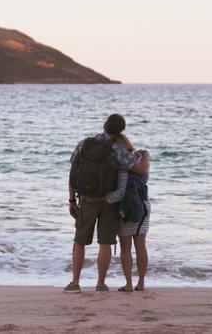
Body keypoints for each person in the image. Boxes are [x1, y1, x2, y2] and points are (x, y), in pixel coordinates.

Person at [64, 114, 149, 293]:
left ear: (104, 125)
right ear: (121, 131)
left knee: (79, 241)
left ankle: (75, 283)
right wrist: (143, 157)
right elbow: (140, 170)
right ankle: (101, 284)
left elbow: (73, 174)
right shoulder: (118, 149)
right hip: (110, 202)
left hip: (87, 200)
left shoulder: (84, 144)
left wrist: (72, 200)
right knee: (105, 243)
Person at [113, 134, 151, 292]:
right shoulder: (142, 167)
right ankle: (141, 283)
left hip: (127, 210)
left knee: (126, 247)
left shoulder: (123, 168)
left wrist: (105, 199)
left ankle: (128, 284)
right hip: (143, 208)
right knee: (141, 246)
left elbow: (120, 194)